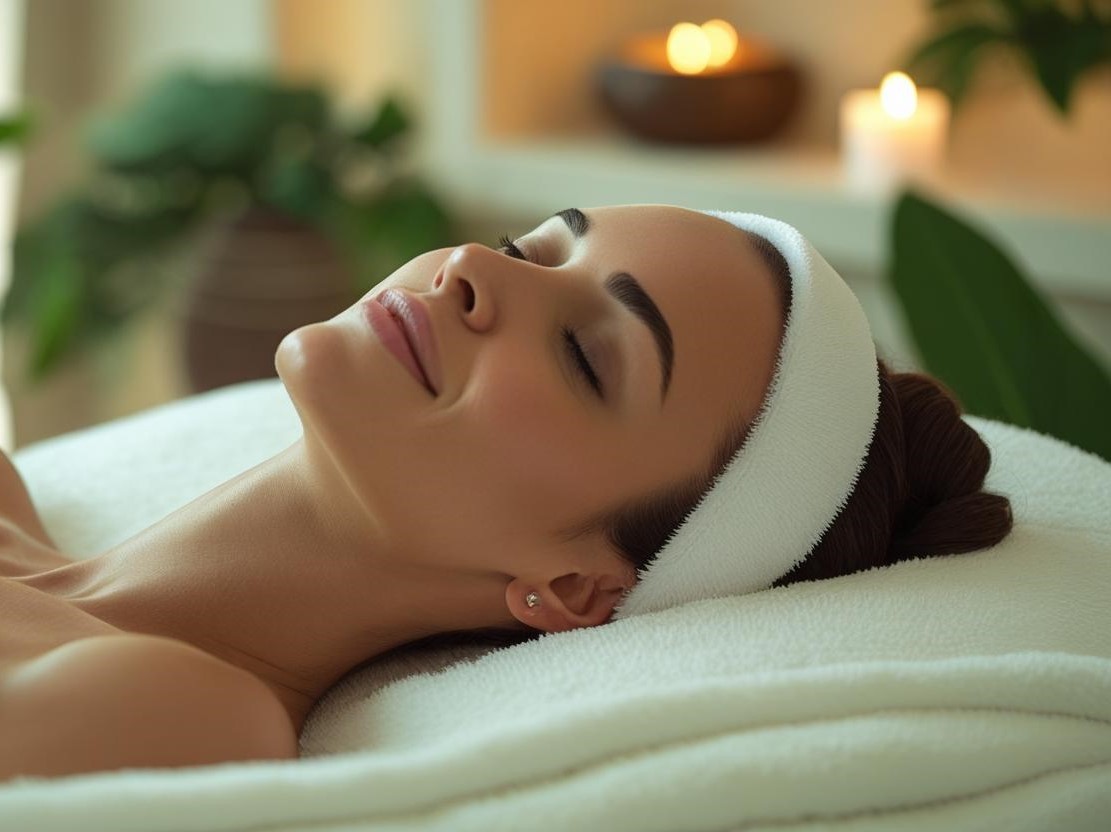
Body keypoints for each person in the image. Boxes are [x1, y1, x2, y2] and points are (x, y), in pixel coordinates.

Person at [0, 204, 1012, 781]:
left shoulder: (176, 716)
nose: (477, 270)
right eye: (536, 246)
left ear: (574, 587)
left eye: (582, 352)